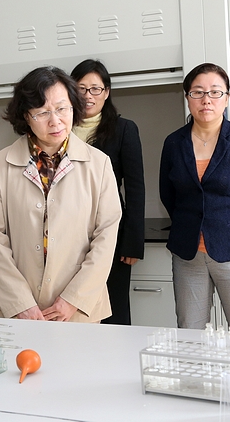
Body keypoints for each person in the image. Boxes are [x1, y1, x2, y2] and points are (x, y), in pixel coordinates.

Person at [0, 66, 121, 323]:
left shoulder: (99, 164)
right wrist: (20, 303)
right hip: (19, 314)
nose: (55, 121)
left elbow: (106, 237)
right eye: (42, 112)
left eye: (62, 108)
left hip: (78, 311)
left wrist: (73, 300)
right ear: (26, 116)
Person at [159, 63, 230, 329]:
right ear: (188, 98)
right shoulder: (174, 143)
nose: (206, 99)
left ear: (226, 98)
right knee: (190, 330)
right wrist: (190, 221)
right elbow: (168, 194)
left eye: (215, 92)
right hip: (188, 254)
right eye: (197, 92)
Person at [70, 59, 145, 325]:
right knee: (73, 307)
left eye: (95, 89)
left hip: (111, 232)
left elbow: (135, 188)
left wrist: (132, 243)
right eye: (81, 89)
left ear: (107, 92)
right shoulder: (59, 129)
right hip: (68, 234)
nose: (88, 96)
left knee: (114, 308)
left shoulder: (124, 129)